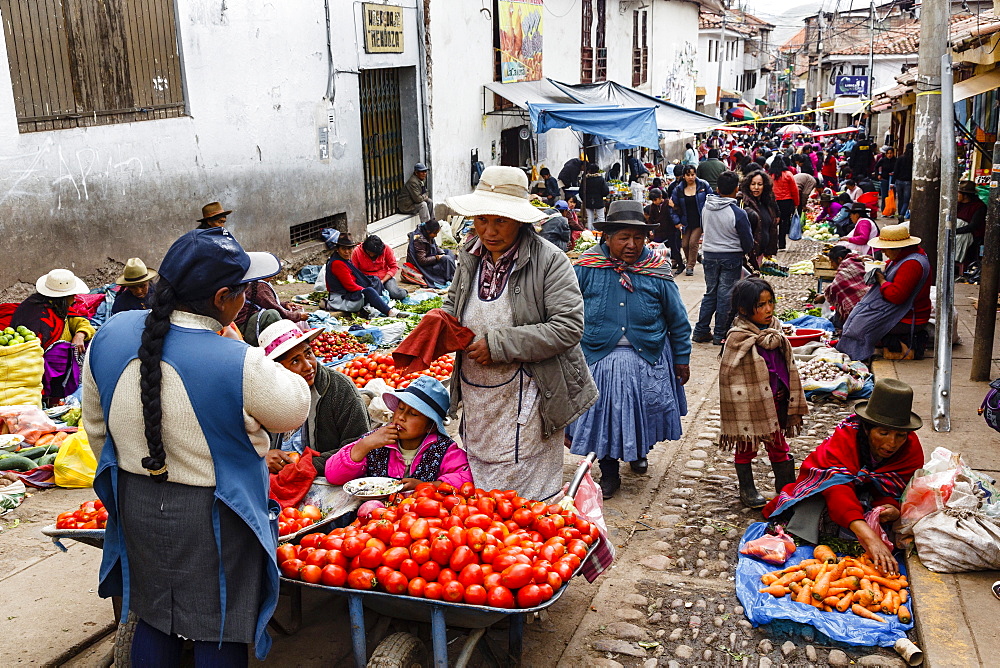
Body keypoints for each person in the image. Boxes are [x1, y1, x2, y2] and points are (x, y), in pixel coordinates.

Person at [82, 227, 311, 663]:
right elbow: (293, 408)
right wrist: (240, 345)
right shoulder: (237, 360)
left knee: (153, 613)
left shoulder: (109, 334)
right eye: (244, 291)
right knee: (218, 625)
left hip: (137, 501)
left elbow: (96, 427)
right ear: (223, 298)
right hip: (216, 514)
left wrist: (138, 468)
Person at [443, 166, 598, 502]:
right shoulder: (469, 256)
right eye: (482, 219)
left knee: (525, 504)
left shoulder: (550, 261)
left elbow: (568, 326)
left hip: (530, 393)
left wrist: (498, 344)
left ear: (520, 220)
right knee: (481, 493)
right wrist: (437, 326)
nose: (489, 230)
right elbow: (453, 304)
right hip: (478, 394)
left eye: (501, 220)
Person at [568, 200, 691, 498]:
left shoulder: (655, 270)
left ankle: (638, 451)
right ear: (606, 238)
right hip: (599, 356)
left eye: (638, 238)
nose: (632, 245)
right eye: (623, 237)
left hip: (647, 354)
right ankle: (608, 472)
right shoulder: (586, 268)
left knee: (643, 412)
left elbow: (677, 318)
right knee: (605, 417)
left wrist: (682, 359)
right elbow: (566, 312)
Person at [763, 379, 924, 576]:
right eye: (883, 433)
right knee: (812, 515)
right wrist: (870, 537)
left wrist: (892, 508)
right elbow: (836, 487)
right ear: (867, 429)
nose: (892, 443)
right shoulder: (846, 438)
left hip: (866, 497)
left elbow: (899, 489)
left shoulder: (910, 450)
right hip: (831, 492)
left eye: (900, 435)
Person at [719, 278, 808, 508]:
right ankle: (747, 489)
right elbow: (731, 377)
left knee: (779, 446)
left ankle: (786, 488)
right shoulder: (738, 338)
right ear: (743, 309)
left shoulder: (775, 331)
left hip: (777, 402)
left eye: (770, 302)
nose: (768, 309)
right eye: (760, 305)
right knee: (746, 447)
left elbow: (785, 366)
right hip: (751, 406)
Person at [259, 320, 371, 476]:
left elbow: (359, 446)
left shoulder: (340, 389)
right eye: (295, 361)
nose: (308, 366)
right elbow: (242, 443)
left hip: (325, 476)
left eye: (308, 354)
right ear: (276, 369)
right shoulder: (262, 395)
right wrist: (262, 458)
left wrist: (307, 465)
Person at [325, 375, 471, 490]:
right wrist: (364, 446)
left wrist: (428, 486)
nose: (401, 417)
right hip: (377, 516)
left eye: (413, 414)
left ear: (431, 426)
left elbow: (468, 478)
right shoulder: (376, 441)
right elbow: (333, 475)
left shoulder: (443, 449)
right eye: (400, 409)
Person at [837, 225, 931, 362]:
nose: (884, 252)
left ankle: (861, 353)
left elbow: (896, 296)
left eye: (886, 249)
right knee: (854, 317)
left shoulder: (912, 264)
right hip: (903, 312)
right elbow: (891, 266)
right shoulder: (903, 257)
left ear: (897, 248)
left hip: (909, 317)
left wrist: (881, 280)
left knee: (859, 328)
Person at [692, 171, 754, 345]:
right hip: (730, 257)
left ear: (718, 189)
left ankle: (701, 330)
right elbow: (747, 241)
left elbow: (704, 227)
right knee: (725, 295)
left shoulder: (706, 207)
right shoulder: (738, 213)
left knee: (711, 293)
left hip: (709, 256)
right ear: (737, 189)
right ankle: (720, 334)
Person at [326, 232, 410, 316]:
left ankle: (382, 304)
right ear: (337, 249)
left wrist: (381, 282)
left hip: (384, 278)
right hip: (342, 298)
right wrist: (365, 291)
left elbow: (394, 267)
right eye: (343, 249)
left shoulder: (345, 260)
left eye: (349, 249)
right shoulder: (338, 263)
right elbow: (350, 286)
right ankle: (390, 312)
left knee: (391, 291)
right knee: (370, 291)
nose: (347, 252)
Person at [12, 269, 94, 353]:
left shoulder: (60, 308)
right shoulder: (34, 313)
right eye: (72, 295)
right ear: (63, 298)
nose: (74, 299)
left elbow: (82, 323)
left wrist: (80, 335)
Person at [234, 278, 309, 346]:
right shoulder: (260, 286)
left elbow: (266, 302)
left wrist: (285, 305)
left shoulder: (258, 283)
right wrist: (298, 316)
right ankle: (272, 346)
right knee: (272, 315)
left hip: (245, 323)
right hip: (244, 328)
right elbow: (275, 308)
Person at [670, 165, 712, 276]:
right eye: (688, 175)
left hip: (699, 220)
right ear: (684, 176)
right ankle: (692, 259)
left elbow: (711, 199)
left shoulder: (703, 185)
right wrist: (677, 222)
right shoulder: (678, 189)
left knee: (693, 243)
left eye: (692, 174)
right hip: (686, 221)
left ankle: (690, 266)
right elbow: (672, 207)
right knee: (684, 245)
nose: (690, 177)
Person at [818, 245, 871, 329]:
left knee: (836, 321)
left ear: (839, 259)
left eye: (832, 262)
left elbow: (836, 287)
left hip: (860, 309)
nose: (831, 265)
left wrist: (824, 296)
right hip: (872, 303)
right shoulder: (857, 260)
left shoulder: (847, 266)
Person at [740, 170, 779, 264]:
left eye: (759, 184)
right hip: (749, 254)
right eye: (753, 184)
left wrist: (769, 250)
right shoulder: (743, 202)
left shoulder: (768, 202)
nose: (756, 187)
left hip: (761, 252)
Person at [353, 234, 407, 301]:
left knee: (395, 293)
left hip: (385, 278)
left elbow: (393, 267)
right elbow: (354, 271)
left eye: (374, 253)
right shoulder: (357, 251)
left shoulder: (386, 249)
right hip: (368, 280)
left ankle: (403, 292)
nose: (371, 255)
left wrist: (383, 281)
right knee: (372, 297)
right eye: (369, 252)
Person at [406, 219, 457, 288]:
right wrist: (437, 257)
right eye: (435, 233)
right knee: (446, 259)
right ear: (428, 231)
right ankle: (451, 278)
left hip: (429, 255)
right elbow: (422, 261)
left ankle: (453, 275)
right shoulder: (419, 239)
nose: (435, 235)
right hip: (422, 265)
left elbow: (435, 247)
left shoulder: (427, 234)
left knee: (448, 252)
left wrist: (442, 253)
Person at [647, 188, 683, 273]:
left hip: (671, 230)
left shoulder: (668, 203)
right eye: (653, 200)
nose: (655, 202)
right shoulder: (653, 207)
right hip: (659, 231)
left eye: (655, 199)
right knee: (657, 249)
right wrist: (650, 229)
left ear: (660, 197)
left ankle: (680, 265)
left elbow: (677, 212)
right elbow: (651, 219)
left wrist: (674, 206)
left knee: (674, 249)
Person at [768, 156, 799, 251]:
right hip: (786, 201)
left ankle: (772, 244)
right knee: (784, 222)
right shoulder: (788, 174)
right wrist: (796, 203)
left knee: (773, 223)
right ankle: (782, 243)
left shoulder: (769, 175)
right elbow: (794, 190)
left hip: (773, 201)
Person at [955, 180, 986, 271]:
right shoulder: (957, 205)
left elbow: (973, 226)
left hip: (971, 235)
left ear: (965, 195)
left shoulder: (979, 207)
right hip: (958, 231)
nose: (956, 195)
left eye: (958, 193)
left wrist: (955, 231)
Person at [582, 163, 610, 229]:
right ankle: (601, 232)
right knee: (601, 217)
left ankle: (590, 233)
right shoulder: (600, 179)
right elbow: (606, 191)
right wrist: (601, 196)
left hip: (588, 201)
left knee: (590, 218)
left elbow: (581, 191)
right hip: (598, 201)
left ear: (589, 171)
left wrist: (584, 199)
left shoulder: (585, 180)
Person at [894, 143, 913, 221]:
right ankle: (902, 214)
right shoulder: (912, 160)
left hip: (899, 181)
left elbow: (896, 170)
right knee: (906, 200)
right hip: (908, 182)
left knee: (900, 200)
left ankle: (900, 215)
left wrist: (892, 182)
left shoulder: (900, 158)